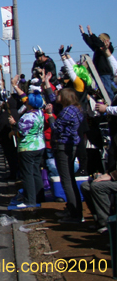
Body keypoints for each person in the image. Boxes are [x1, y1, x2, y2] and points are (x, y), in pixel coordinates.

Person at [8, 87, 45, 209]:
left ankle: (30, 200)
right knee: (36, 172)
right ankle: (39, 196)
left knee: (28, 174)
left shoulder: (28, 117)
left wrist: (14, 124)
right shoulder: (40, 113)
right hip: (39, 145)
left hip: (27, 148)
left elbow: (21, 133)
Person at [52, 88, 85, 223]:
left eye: (59, 95)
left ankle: (75, 214)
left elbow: (56, 128)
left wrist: (49, 116)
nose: (57, 97)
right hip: (71, 146)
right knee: (70, 178)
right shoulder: (75, 110)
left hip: (63, 146)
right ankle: (75, 210)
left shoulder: (66, 111)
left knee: (66, 181)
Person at [80, 25, 116, 101]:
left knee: (108, 91)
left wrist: (91, 34)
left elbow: (98, 43)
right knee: (101, 91)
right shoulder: (98, 49)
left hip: (105, 73)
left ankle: (112, 104)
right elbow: (90, 43)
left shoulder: (109, 48)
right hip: (98, 73)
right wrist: (84, 33)